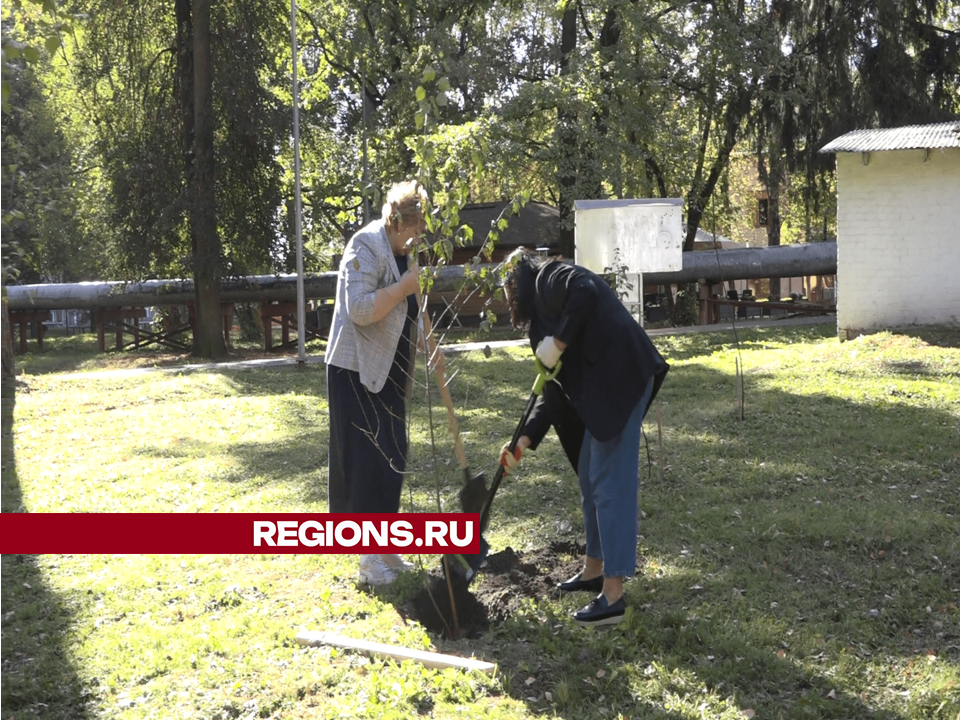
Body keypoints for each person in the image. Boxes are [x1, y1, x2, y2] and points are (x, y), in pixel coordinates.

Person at [498, 248, 669, 626]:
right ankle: (594, 570)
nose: (508, 296)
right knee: (592, 479)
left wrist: (558, 342)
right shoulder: (538, 328)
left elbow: (589, 291)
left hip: (624, 376)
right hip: (603, 392)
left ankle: (614, 596)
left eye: (509, 285)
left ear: (522, 279)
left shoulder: (551, 277)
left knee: (610, 484)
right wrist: (522, 442)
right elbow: (552, 391)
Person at [325, 179, 437, 586]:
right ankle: (368, 557)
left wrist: (430, 345)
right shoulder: (366, 245)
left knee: (394, 453)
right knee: (367, 461)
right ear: (399, 220)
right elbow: (358, 309)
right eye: (417, 228)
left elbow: (415, 303)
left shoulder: (405, 252)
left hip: (389, 369)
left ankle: (387, 548)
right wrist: (402, 287)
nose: (420, 237)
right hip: (354, 368)